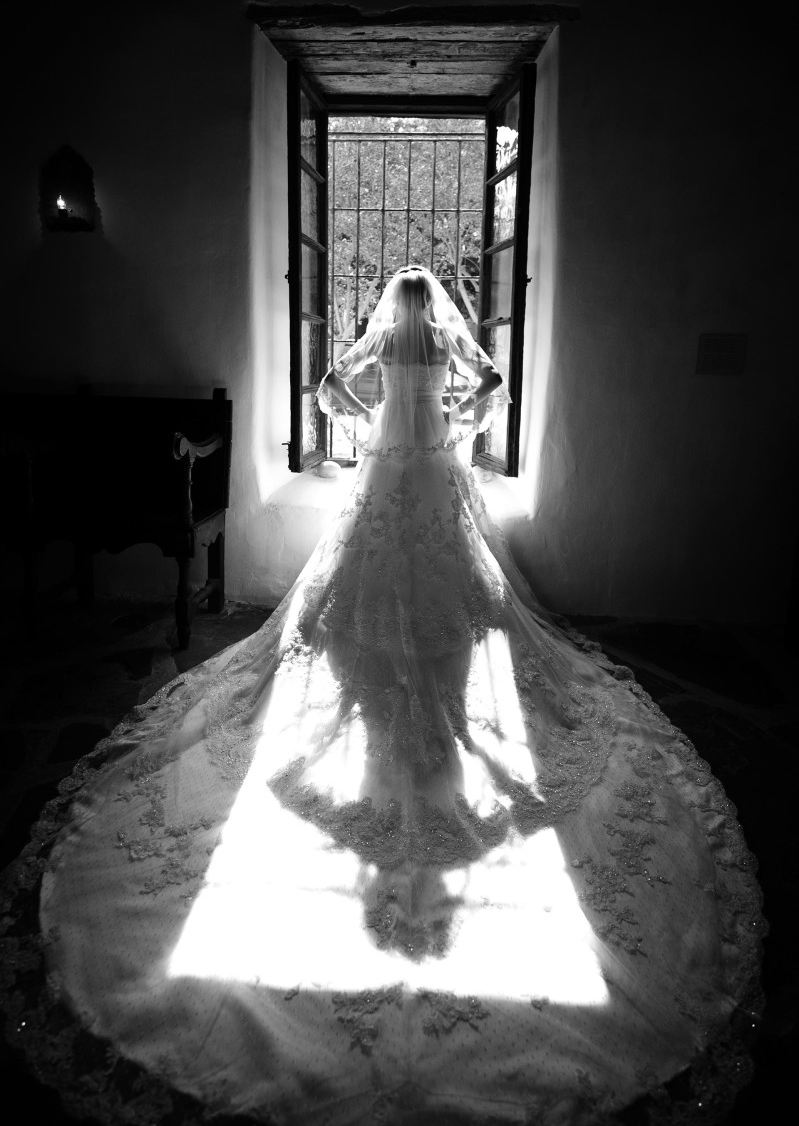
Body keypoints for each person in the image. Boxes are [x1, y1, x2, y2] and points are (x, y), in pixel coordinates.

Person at [2, 267, 764, 1125]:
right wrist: (465, 418)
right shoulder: (445, 342)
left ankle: (393, 674)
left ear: (392, 309)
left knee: (369, 598)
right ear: (429, 307)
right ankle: (427, 676)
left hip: (391, 471)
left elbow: (330, 384)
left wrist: (365, 420)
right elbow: (493, 380)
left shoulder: (386, 342)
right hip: (435, 468)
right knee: (450, 598)